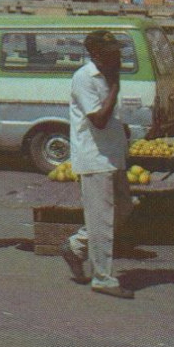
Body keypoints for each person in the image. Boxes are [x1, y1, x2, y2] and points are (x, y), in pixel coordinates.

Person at [62, 30, 135, 300]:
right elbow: (99, 119)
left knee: (124, 208)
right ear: (95, 56)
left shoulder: (106, 75)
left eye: (118, 53)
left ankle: (76, 245)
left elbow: (110, 118)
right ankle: (103, 278)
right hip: (94, 157)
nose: (118, 58)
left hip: (113, 154)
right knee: (101, 219)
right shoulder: (84, 78)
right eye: (111, 54)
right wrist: (115, 87)